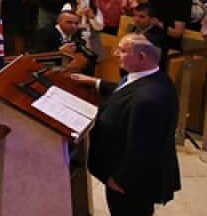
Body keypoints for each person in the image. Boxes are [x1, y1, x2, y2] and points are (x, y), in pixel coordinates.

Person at [73, 35, 181, 216]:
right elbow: (125, 90)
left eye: (122, 51)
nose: (116, 54)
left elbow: (143, 148)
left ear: (141, 57)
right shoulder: (149, 76)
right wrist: (95, 82)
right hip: (120, 173)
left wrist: (120, 179)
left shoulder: (149, 99)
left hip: (130, 184)